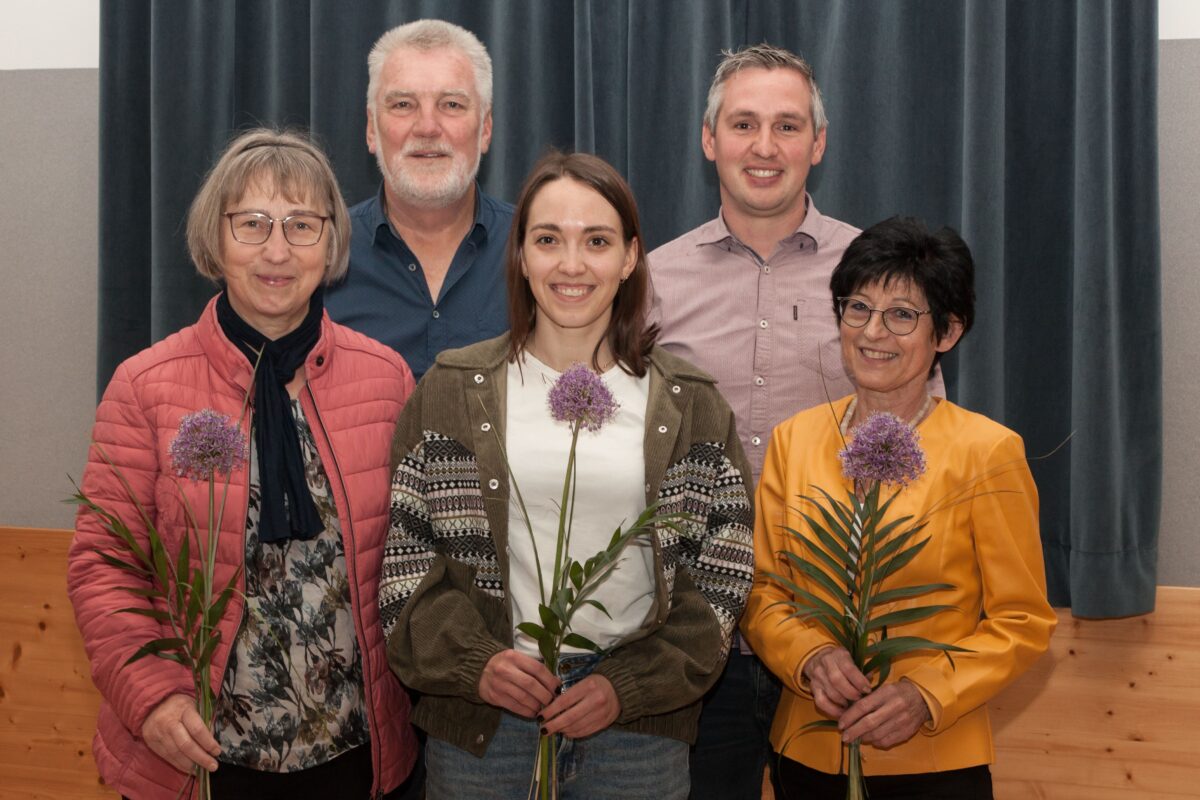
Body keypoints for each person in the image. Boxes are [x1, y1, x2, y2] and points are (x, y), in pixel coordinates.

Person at [378, 151, 756, 799]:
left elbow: (722, 578)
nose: (572, 264)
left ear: (631, 256)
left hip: (637, 734)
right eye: (548, 240)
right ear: (521, 255)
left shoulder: (689, 404)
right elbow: (408, 568)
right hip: (485, 731)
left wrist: (629, 685)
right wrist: (479, 664)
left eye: (598, 241)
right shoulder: (451, 391)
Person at [67, 128, 419, 799]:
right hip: (196, 755)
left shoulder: (386, 378)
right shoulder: (145, 385)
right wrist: (153, 699)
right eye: (252, 224)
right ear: (216, 239)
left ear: (331, 242)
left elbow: (411, 565)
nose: (277, 249)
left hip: (357, 756)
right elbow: (103, 566)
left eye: (301, 225)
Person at [650, 43, 947, 798]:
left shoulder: (877, 277)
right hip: (691, 642)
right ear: (709, 139)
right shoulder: (650, 281)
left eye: (788, 126)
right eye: (743, 124)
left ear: (818, 144)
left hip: (841, 644)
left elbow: (925, 441)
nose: (764, 146)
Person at [742, 216, 1057, 799]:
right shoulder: (795, 440)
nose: (872, 332)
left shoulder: (987, 452)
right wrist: (810, 656)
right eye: (856, 308)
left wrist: (926, 693)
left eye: (902, 315)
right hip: (807, 749)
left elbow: (1022, 621)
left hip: (936, 760)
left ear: (948, 332)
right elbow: (764, 591)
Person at [326, 19, 513, 381]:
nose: (427, 126)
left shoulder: (537, 252)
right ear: (371, 129)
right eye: (403, 104)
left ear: (486, 128)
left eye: (452, 104)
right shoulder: (321, 254)